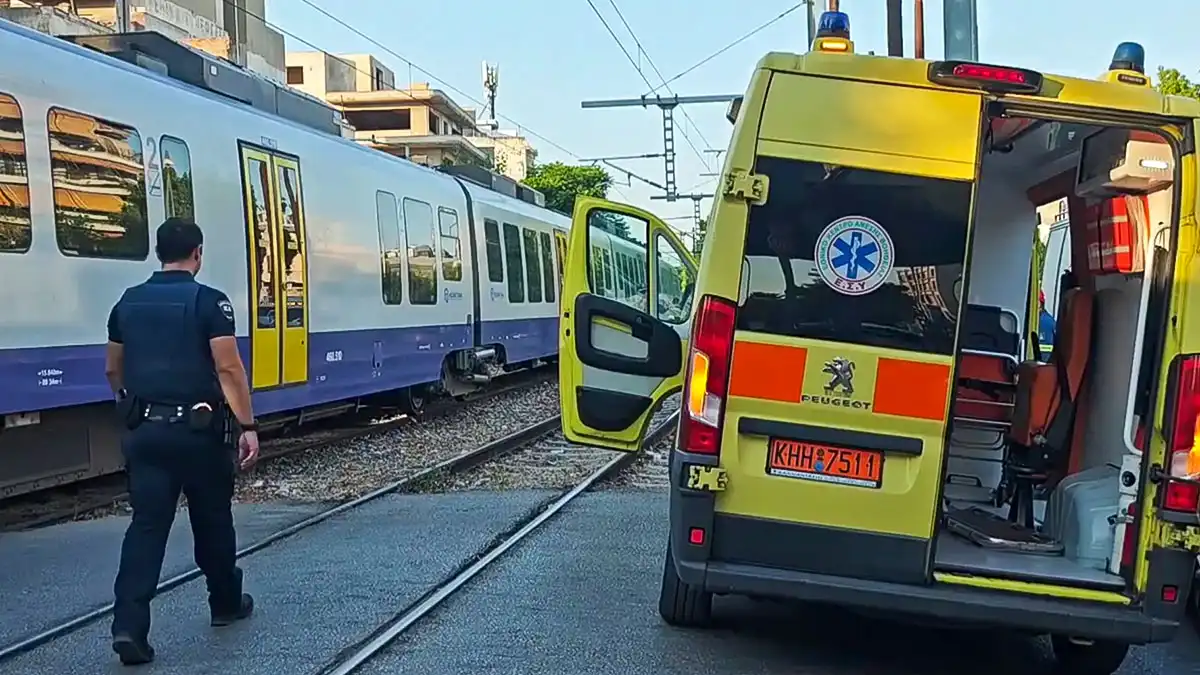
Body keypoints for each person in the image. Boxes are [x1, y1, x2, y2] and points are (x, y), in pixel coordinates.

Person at [104, 217, 259, 665]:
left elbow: (113, 368)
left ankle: (129, 626)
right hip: (198, 434)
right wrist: (247, 425)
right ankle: (225, 603)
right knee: (212, 520)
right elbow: (228, 368)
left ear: (158, 253)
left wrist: (130, 403)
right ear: (198, 253)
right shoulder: (209, 302)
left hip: (146, 432)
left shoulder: (126, 303)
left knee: (146, 527)